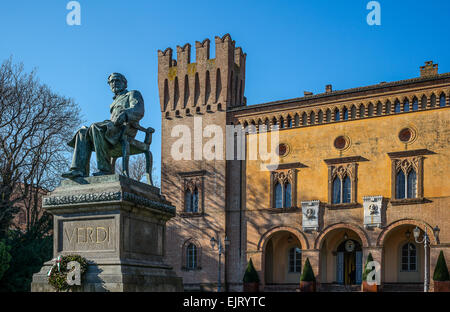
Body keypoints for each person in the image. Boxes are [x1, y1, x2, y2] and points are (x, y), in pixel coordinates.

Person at [62, 73, 144, 179]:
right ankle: (78, 170)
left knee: (95, 127)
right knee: (82, 132)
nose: (114, 83)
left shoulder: (132, 94)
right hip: (111, 128)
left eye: (117, 80)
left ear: (125, 83)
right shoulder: (115, 100)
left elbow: (138, 110)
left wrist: (125, 114)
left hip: (124, 129)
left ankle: (105, 169)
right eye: (111, 82)